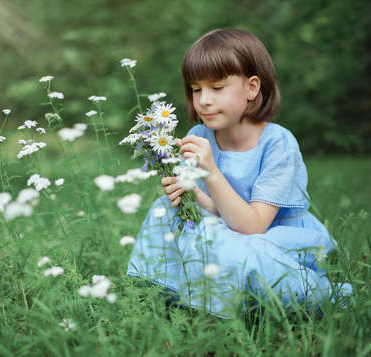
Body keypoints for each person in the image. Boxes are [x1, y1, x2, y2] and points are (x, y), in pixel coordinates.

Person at [126, 28, 351, 317]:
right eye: (196, 89)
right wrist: (190, 194)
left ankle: (320, 296)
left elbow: (253, 226)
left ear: (252, 88)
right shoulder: (199, 134)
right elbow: (213, 213)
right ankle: (165, 293)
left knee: (236, 248)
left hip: (272, 241)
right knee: (167, 212)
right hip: (228, 233)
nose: (204, 100)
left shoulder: (278, 144)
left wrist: (211, 172)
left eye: (217, 88)